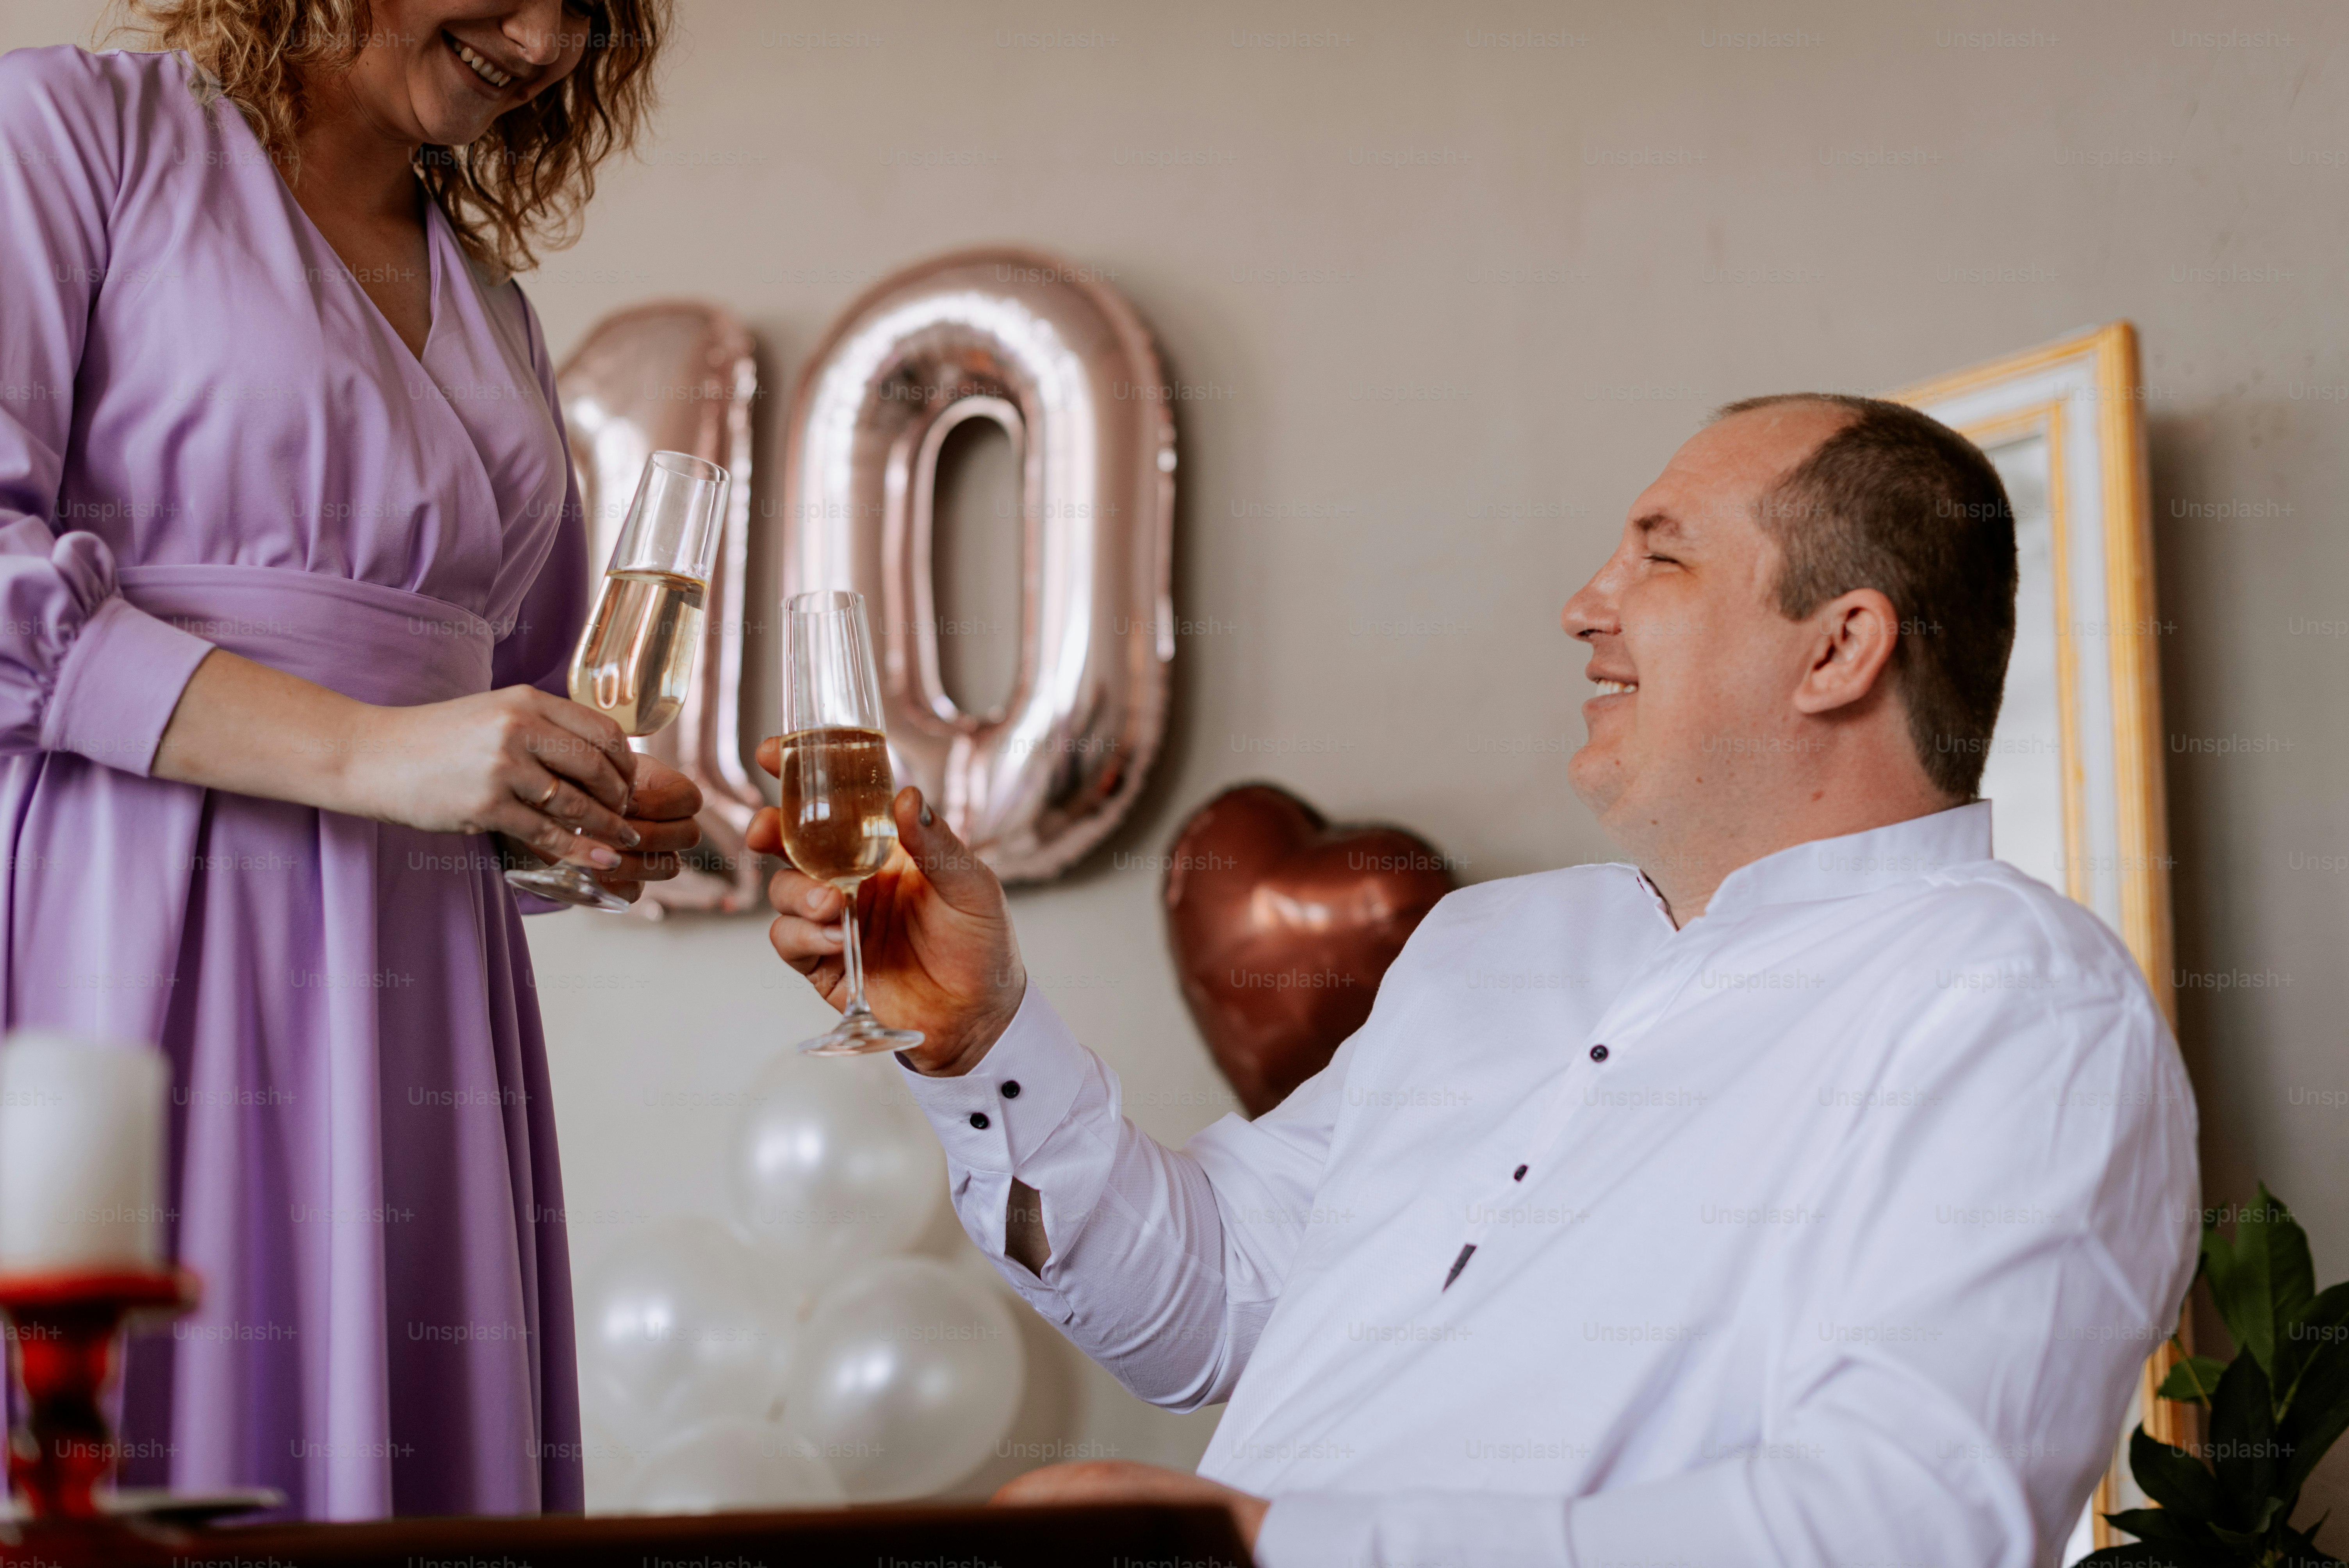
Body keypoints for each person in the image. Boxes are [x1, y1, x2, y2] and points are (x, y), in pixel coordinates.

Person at [754, 396, 2200, 1566]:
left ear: (1839, 648)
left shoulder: (2018, 1008)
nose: (1584, 604)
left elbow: (1899, 1530)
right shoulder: (1485, 950)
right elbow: (1210, 1300)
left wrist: (1264, 1548)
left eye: (1661, 558)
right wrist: (980, 1038)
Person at [0, 0, 688, 1519]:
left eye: (592, 3)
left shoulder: (493, 303)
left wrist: (564, 812)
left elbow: (501, 694)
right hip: (139, 921)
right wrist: (373, 753)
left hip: (422, 984)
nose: (545, 38)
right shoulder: (73, 138)